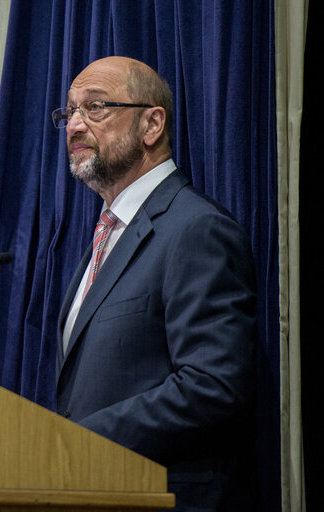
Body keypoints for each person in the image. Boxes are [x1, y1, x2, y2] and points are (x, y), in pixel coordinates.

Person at [52, 56, 257, 511]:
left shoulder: (196, 229)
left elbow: (214, 385)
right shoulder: (109, 233)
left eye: (96, 107)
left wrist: (76, 441)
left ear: (151, 124)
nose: (74, 126)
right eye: (69, 112)